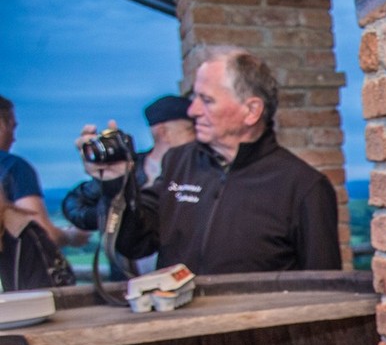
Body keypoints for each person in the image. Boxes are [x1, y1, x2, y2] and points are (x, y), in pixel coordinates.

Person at [77, 47, 340, 274]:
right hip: (180, 319)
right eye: (194, 98)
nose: (192, 111)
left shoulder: (303, 186)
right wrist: (115, 182)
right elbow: (136, 243)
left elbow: (324, 292)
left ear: (251, 111)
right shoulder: (177, 162)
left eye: (207, 100)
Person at [62, 95, 196, 277]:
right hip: (130, 279)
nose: (197, 136)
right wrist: (112, 211)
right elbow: (75, 205)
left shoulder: (197, 170)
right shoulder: (128, 169)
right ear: (164, 132)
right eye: (190, 129)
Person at [0, 94, 78, 254]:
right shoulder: (14, 167)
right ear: (1, 126)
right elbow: (44, 235)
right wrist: (71, 237)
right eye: (12, 128)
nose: (14, 138)